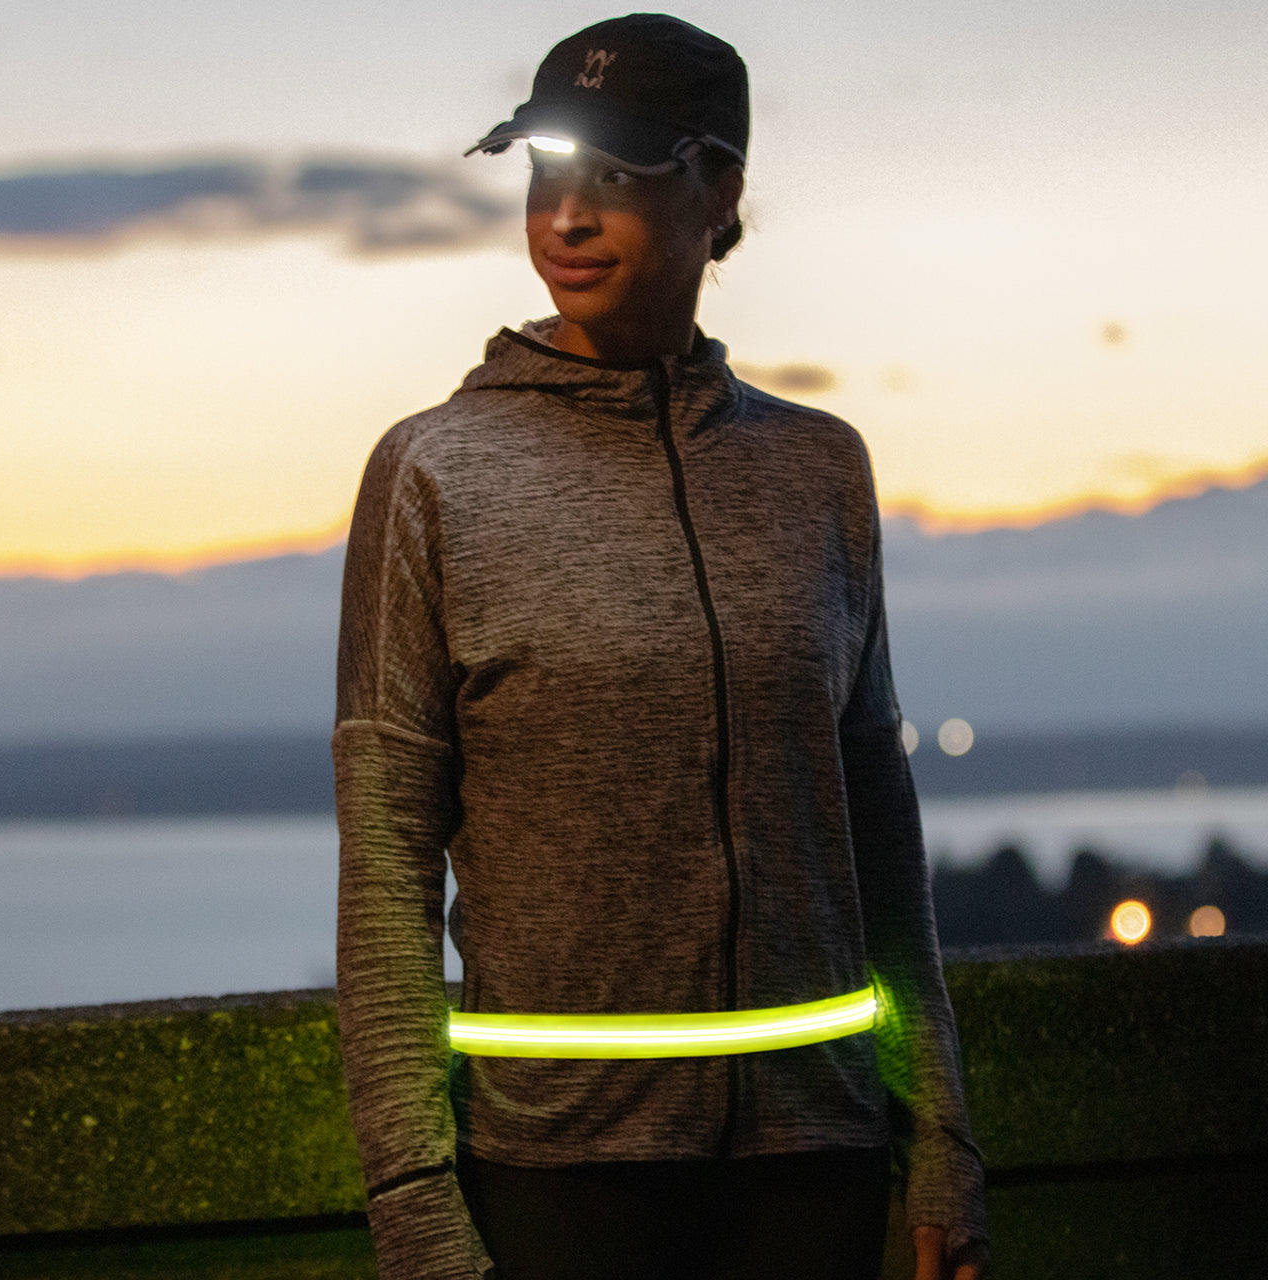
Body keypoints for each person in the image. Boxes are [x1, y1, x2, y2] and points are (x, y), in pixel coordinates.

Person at [333, 14, 988, 1279]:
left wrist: (940, 1138)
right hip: (558, 1182)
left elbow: (873, 822)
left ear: (718, 189)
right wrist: (413, 1203)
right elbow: (385, 861)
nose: (566, 216)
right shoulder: (434, 473)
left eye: (618, 175)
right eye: (545, 173)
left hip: (816, 1166)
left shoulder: (817, 469)